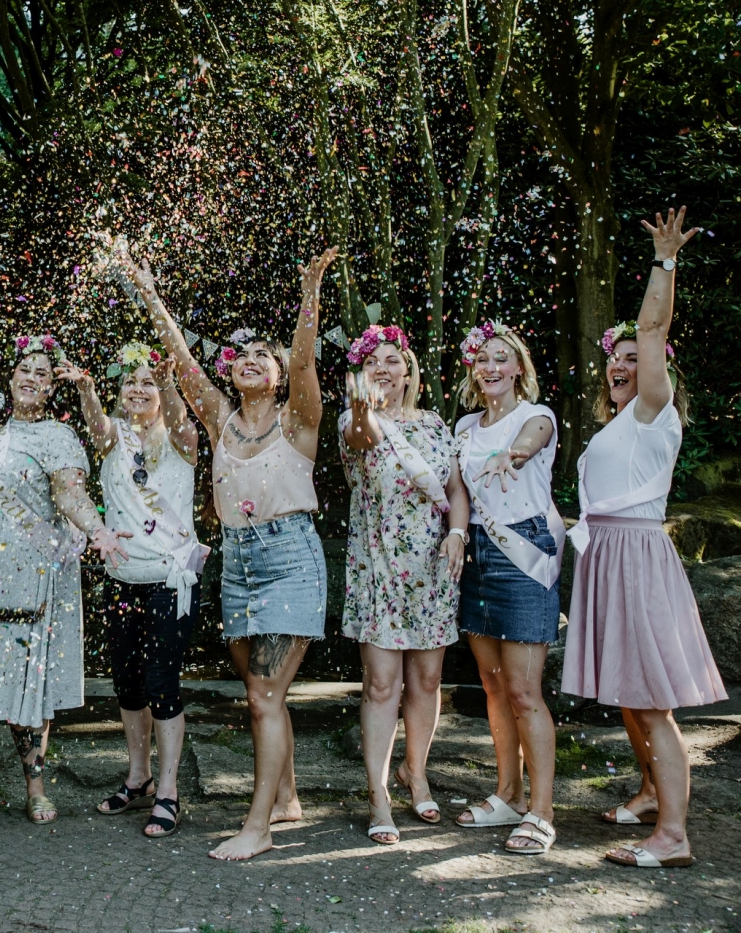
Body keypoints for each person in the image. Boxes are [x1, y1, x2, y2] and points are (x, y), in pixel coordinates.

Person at [121, 244, 340, 861]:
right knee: (262, 692)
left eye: (261, 356)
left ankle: (259, 828)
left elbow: (303, 362)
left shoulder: (300, 420)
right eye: (240, 355)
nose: (249, 361)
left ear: (277, 374)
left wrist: (308, 295)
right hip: (237, 562)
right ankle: (289, 796)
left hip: (290, 557)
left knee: (262, 698)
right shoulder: (219, 420)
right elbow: (183, 360)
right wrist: (148, 292)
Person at [0, 301, 131, 825]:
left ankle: (35, 785)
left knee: (25, 673)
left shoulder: (59, 438)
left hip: (28, 569)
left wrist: (98, 530)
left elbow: (71, 496)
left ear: (53, 386)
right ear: (11, 376)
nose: (31, 378)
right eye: (24, 369)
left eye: (42, 373)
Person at [562, 207, 726, 870]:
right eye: (616, 358)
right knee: (631, 693)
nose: (622, 364)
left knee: (651, 701)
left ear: (658, 371)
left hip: (635, 557)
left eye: (636, 358)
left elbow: (654, 323)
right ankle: (652, 792)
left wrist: (665, 261)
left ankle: (674, 835)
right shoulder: (616, 426)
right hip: (607, 556)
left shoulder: (655, 413)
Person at [58, 342, 205, 838]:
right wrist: (86, 390)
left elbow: (178, 411)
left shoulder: (182, 439)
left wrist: (167, 380)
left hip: (170, 579)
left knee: (162, 683)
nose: (138, 389)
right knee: (127, 683)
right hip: (122, 579)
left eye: (148, 382)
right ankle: (138, 776)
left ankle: (169, 791)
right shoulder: (112, 439)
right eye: (130, 382)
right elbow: (96, 421)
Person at [339, 327, 469, 846]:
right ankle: (378, 795)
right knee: (381, 685)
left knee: (428, 682)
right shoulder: (356, 421)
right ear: (362, 375)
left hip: (433, 571)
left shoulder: (436, 425)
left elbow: (456, 489)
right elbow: (362, 438)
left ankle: (415, 772)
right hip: (378, 570)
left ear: (410, 372)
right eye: (374, 362)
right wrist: (364, 407)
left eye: (393, 360)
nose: (384, 368)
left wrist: (458, 533)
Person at [451, 322, 562, 855]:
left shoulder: (535, 416)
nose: (491, 367)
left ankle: (542, 812)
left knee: (523, 690)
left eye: (502, 358)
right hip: (477, 553)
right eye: (483, 359)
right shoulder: (466, 426)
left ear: (519, 367)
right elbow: (459, 495)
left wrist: (509, 455)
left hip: (523, 550)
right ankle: (509, 794)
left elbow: (527, 444)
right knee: (493, 686)